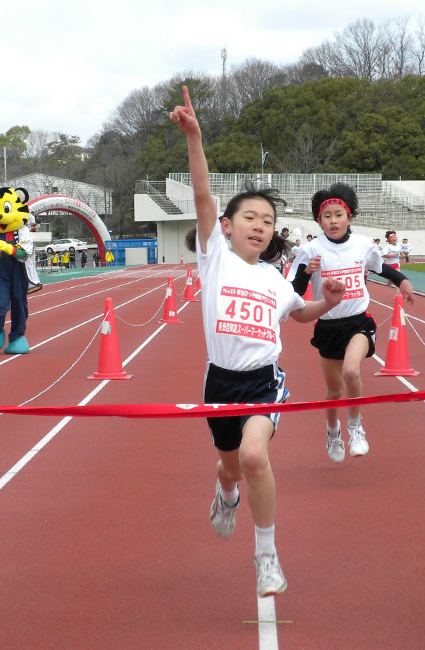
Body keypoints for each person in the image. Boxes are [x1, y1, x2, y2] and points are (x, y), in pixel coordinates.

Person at [171, 86, 345, 598]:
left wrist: (328, 303)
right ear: (226, 226)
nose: (260, 226)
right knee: (230, 465)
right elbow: (203, 193)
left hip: (263, 382)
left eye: (268, 221)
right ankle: (225, 492)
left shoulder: (275, 279)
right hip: (218, 382)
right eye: (250, 217)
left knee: (253, 458)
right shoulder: (215, 259)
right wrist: (195, 138)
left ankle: (266, 554)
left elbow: (300, 315)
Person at [290, 183, 414, 462]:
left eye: (339, 214)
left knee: (351, 372)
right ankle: (333, 431)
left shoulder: (362, 245)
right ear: (318, 220)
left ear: (350, 217)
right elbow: (294, 293)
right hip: (327, 326)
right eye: (327, 216)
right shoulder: (310, 251)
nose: (333, 221)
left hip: (358, 322)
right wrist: (305, 274)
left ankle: (355, 427)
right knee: (334, 389)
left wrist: (402, 281)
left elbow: (381, 267)